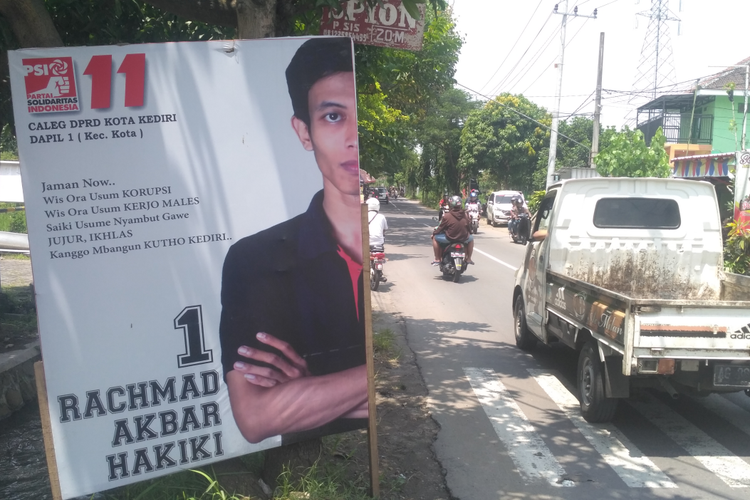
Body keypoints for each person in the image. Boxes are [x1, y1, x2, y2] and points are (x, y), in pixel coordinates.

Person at [219, 38, 367, 445]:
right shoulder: (255, 260)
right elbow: (255, 418)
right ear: (304, 132)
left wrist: (317, 390)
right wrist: (388, 370)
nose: (356, 136)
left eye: (366, 117)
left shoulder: (407, 253)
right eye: (334, 116)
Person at [432, 195, 475, 265]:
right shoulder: (465, 215)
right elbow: (469, 228)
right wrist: (470, 233)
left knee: (435, 238)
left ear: (450, 204)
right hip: (463, 238)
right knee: (471, 239)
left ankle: (437, 259)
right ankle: (469, 258)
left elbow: (440, 228)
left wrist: (434, 233)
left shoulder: (447, 216)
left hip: (450, 238)